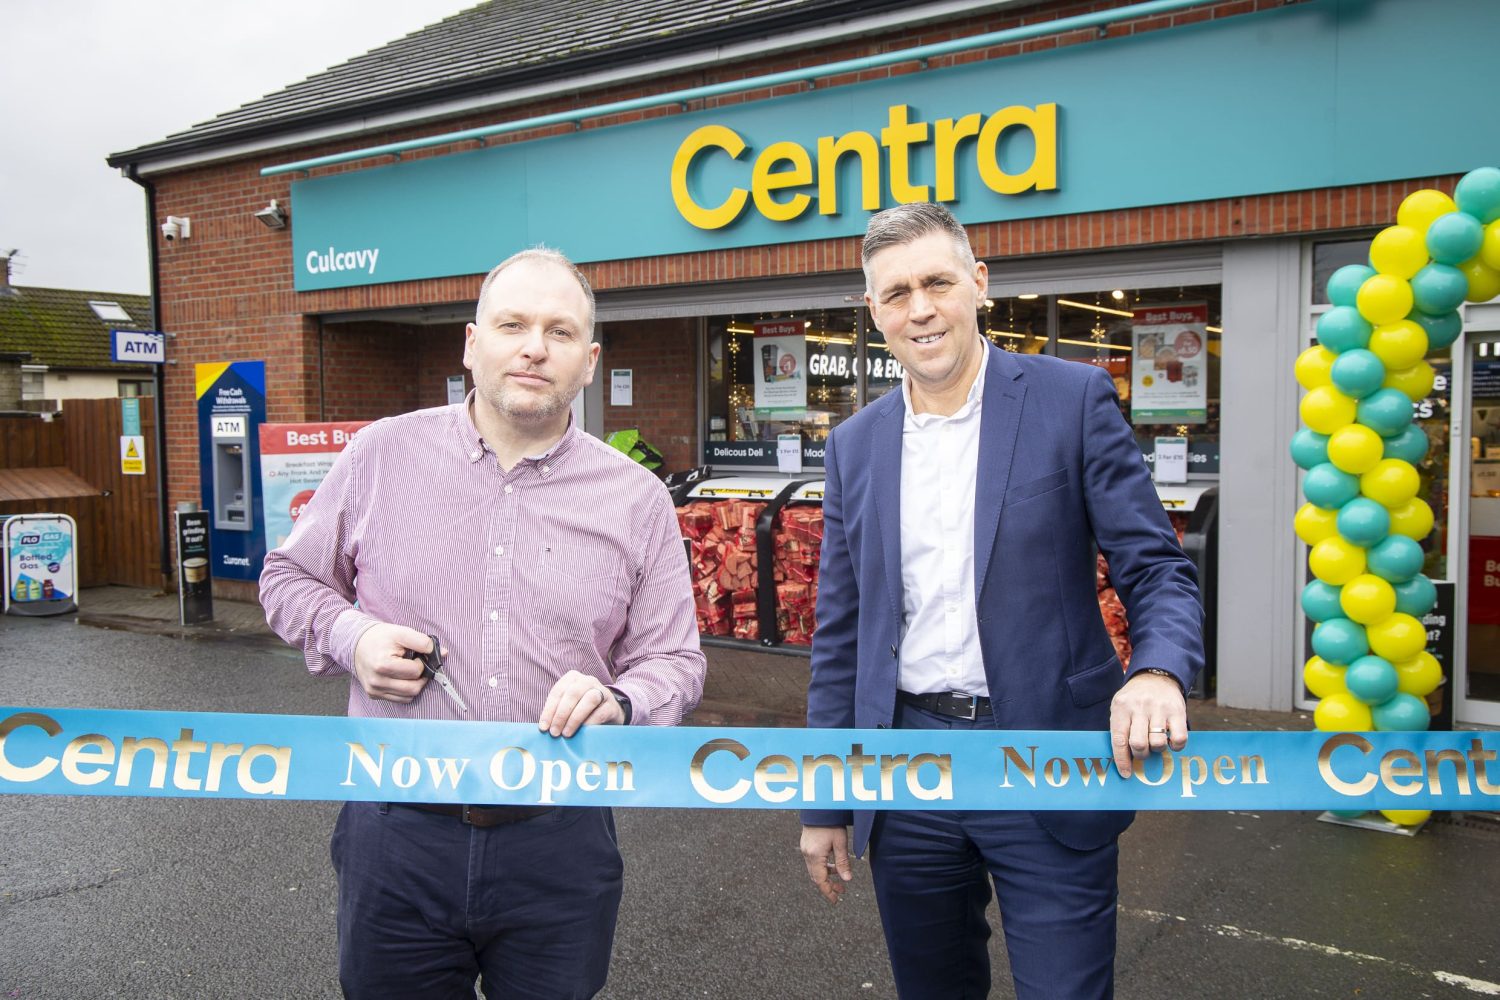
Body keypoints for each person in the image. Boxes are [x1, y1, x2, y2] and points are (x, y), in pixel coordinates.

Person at [260, 246, 706, 999]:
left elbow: (676, 661)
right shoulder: (379, 456)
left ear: (590, 361)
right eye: (513, 325)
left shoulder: (636, 500)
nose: (535, 347)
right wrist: (353, 637)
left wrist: (623, 701)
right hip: (396, 831)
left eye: (560, 332)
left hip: (558, 840)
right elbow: (287, 578)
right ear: (472, 344)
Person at [798, 203, 1203, 1000]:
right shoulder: (854, 446)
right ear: (874, 312)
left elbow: (1156, 566)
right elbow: (840, 634)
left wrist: (1157, 670)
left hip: (1048, 757)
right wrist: (825, 801)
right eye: (896, 293)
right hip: (906, 766)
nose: (920, 309)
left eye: (938, 282)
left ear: (979, 284)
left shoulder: (1073, 400)